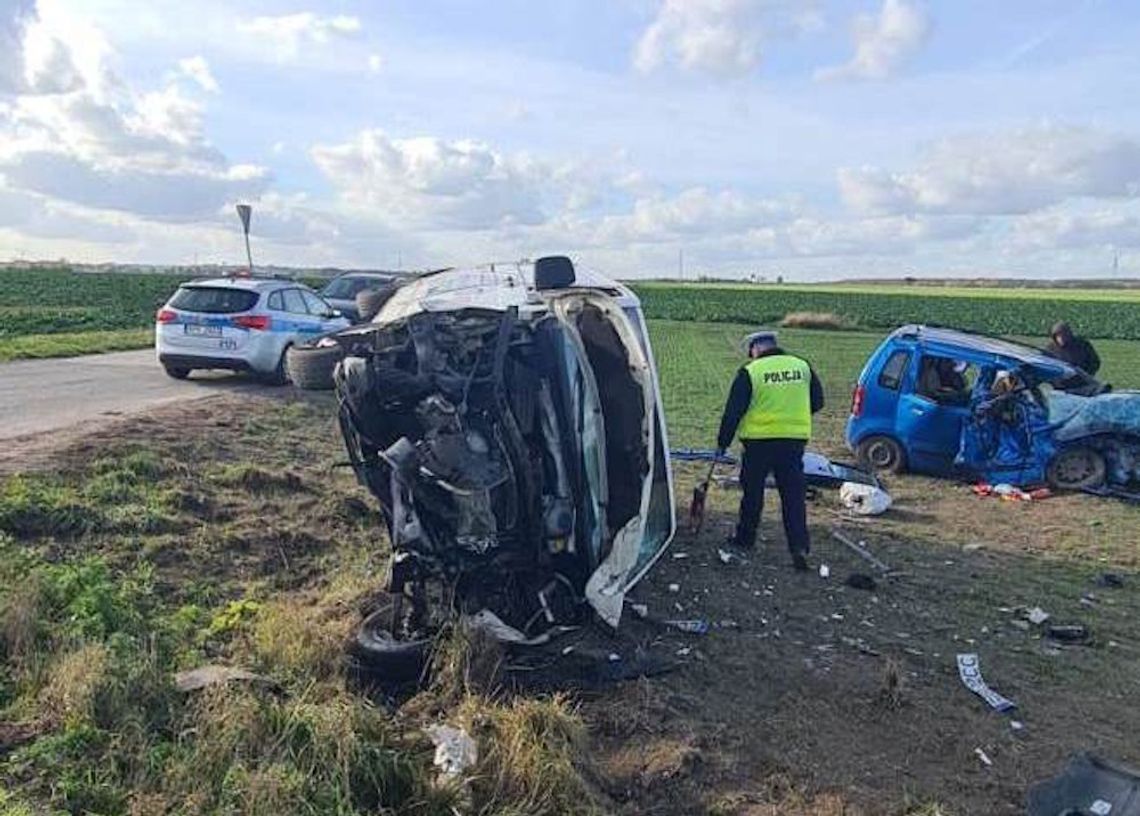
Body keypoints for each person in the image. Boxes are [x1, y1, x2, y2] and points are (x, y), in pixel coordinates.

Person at [716, 330, 824, 571]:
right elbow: (818, 401)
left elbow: (733, 412)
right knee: (793, 496)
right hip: (793, 443)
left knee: (752, 493)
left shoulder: (751, 372)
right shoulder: (802, 366)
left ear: (755, 349)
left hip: (758, 444)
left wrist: (722, 442)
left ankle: (745, 538)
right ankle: (799, 547)